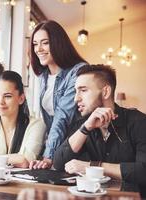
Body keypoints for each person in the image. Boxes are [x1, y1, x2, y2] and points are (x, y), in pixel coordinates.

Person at [53, 64, 146, 197]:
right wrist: (85, 128)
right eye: (76, 91)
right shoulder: (82, 124)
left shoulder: (138, 121)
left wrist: (91, 167)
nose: (76, 98)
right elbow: (59, 163)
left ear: (105, 92)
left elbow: (143, 170)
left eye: (83, 90)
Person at [29, 20, 87, 169]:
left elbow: (62, 116)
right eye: (35, 44)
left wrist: (48, 156)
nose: (38, 49)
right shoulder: (43, 76)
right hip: (58, 146)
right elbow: (48, 120)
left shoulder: (77, 71)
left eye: (45, 43)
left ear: (58, 43)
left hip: (80, 146)